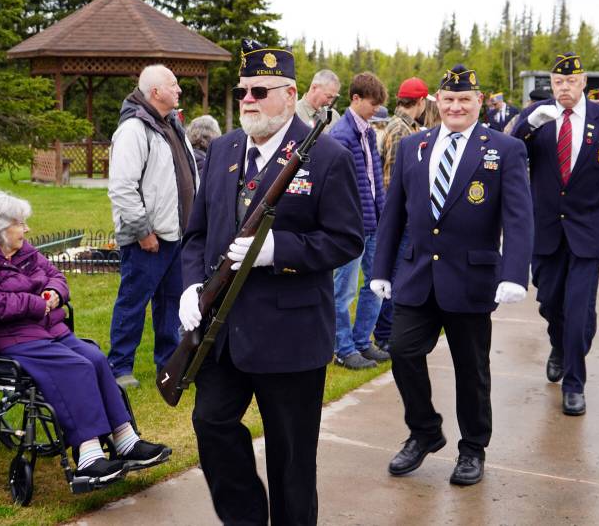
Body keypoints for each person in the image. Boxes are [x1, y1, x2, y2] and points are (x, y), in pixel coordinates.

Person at [178, 39, 363, 525]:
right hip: (224, 332)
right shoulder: (223, 149)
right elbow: (197, 233)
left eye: (260, 90)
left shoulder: (326, 156)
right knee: (211, 424)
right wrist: (189, 288)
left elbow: (346, 240)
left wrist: (281, 250)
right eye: (242, 91)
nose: (248, 100)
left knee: (292, 460)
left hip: (292, 335)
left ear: (290, 92)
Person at [370, 64, 533, 486]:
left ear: (479, 102)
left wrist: (515, 273)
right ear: (434, 103)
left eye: (465, 99)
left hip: (472, 278)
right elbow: (394, 214)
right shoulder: (414, 147)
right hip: (418, 274)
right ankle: (424, 431)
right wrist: (381, 268)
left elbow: (518, 218)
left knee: (471, 370)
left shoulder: (505, 149)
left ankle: (473, 448)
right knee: (402, 351)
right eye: (448, 99)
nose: (456, 106)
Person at [0, 191, 171, 484]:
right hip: (6, 334)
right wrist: (33, 303)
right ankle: (89, 454)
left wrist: (55, 293)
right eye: (20, 223)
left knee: (95, 358)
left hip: (45, 328)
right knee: (75, 367)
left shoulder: (21, 249)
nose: (26, 229)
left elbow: (55, 274)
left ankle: (125, 438)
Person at [511, 52, 599, 416]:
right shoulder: (538, 117)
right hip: (546, 229)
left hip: (589, 231)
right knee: (550, 303)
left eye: (571, 81)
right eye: (558, 82)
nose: (564, 88)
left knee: (579, 311)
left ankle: (574, 382)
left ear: (584, 83)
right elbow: (511, 152)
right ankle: (560, 345)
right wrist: (529, 124)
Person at [107, 64, 197, 389]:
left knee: (171, 303)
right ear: (155, 92)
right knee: (134, 300)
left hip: (175, 234)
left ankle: (168, 365)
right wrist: (143, 231)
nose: (179, 90)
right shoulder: (134, 129)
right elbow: (122, 187)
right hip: (148, 237)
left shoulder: (170, 124)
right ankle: (119, 367)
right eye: (173, 85)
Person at [328, 72, 389, 370]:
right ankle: (343, 348)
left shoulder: (368, 132)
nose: (376, 108)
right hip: (352, 226)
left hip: (374, 222)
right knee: (345, 289)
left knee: (376, 284)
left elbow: (374, 180)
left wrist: (384, 212)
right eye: (372, 103)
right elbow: (341, 186)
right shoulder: (341, 134)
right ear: (355, 99)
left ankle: (363, 341)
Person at [372, 76, 428, 352]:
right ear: (419, 102)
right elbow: (391, 179)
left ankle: (387, 331)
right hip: (401, 216)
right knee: (394, 276)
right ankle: (384, 333)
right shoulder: (400, 131)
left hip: (403, 215)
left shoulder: (407, 128)